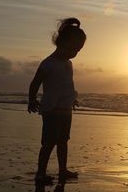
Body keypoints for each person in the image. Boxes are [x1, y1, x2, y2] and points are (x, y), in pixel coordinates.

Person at [27, 18, 86, 186]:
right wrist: (32, 100)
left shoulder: (68, 64)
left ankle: (63, 170)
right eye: (72, 49)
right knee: (48, 142)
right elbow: (35, 83)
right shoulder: (48, 63)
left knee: (63, 141)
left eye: (78, 50)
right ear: (61, 43)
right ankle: (40, 173)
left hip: (65, 109)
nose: (74, 53)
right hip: (51, 109)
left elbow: (67, 84)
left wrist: (72, 98)